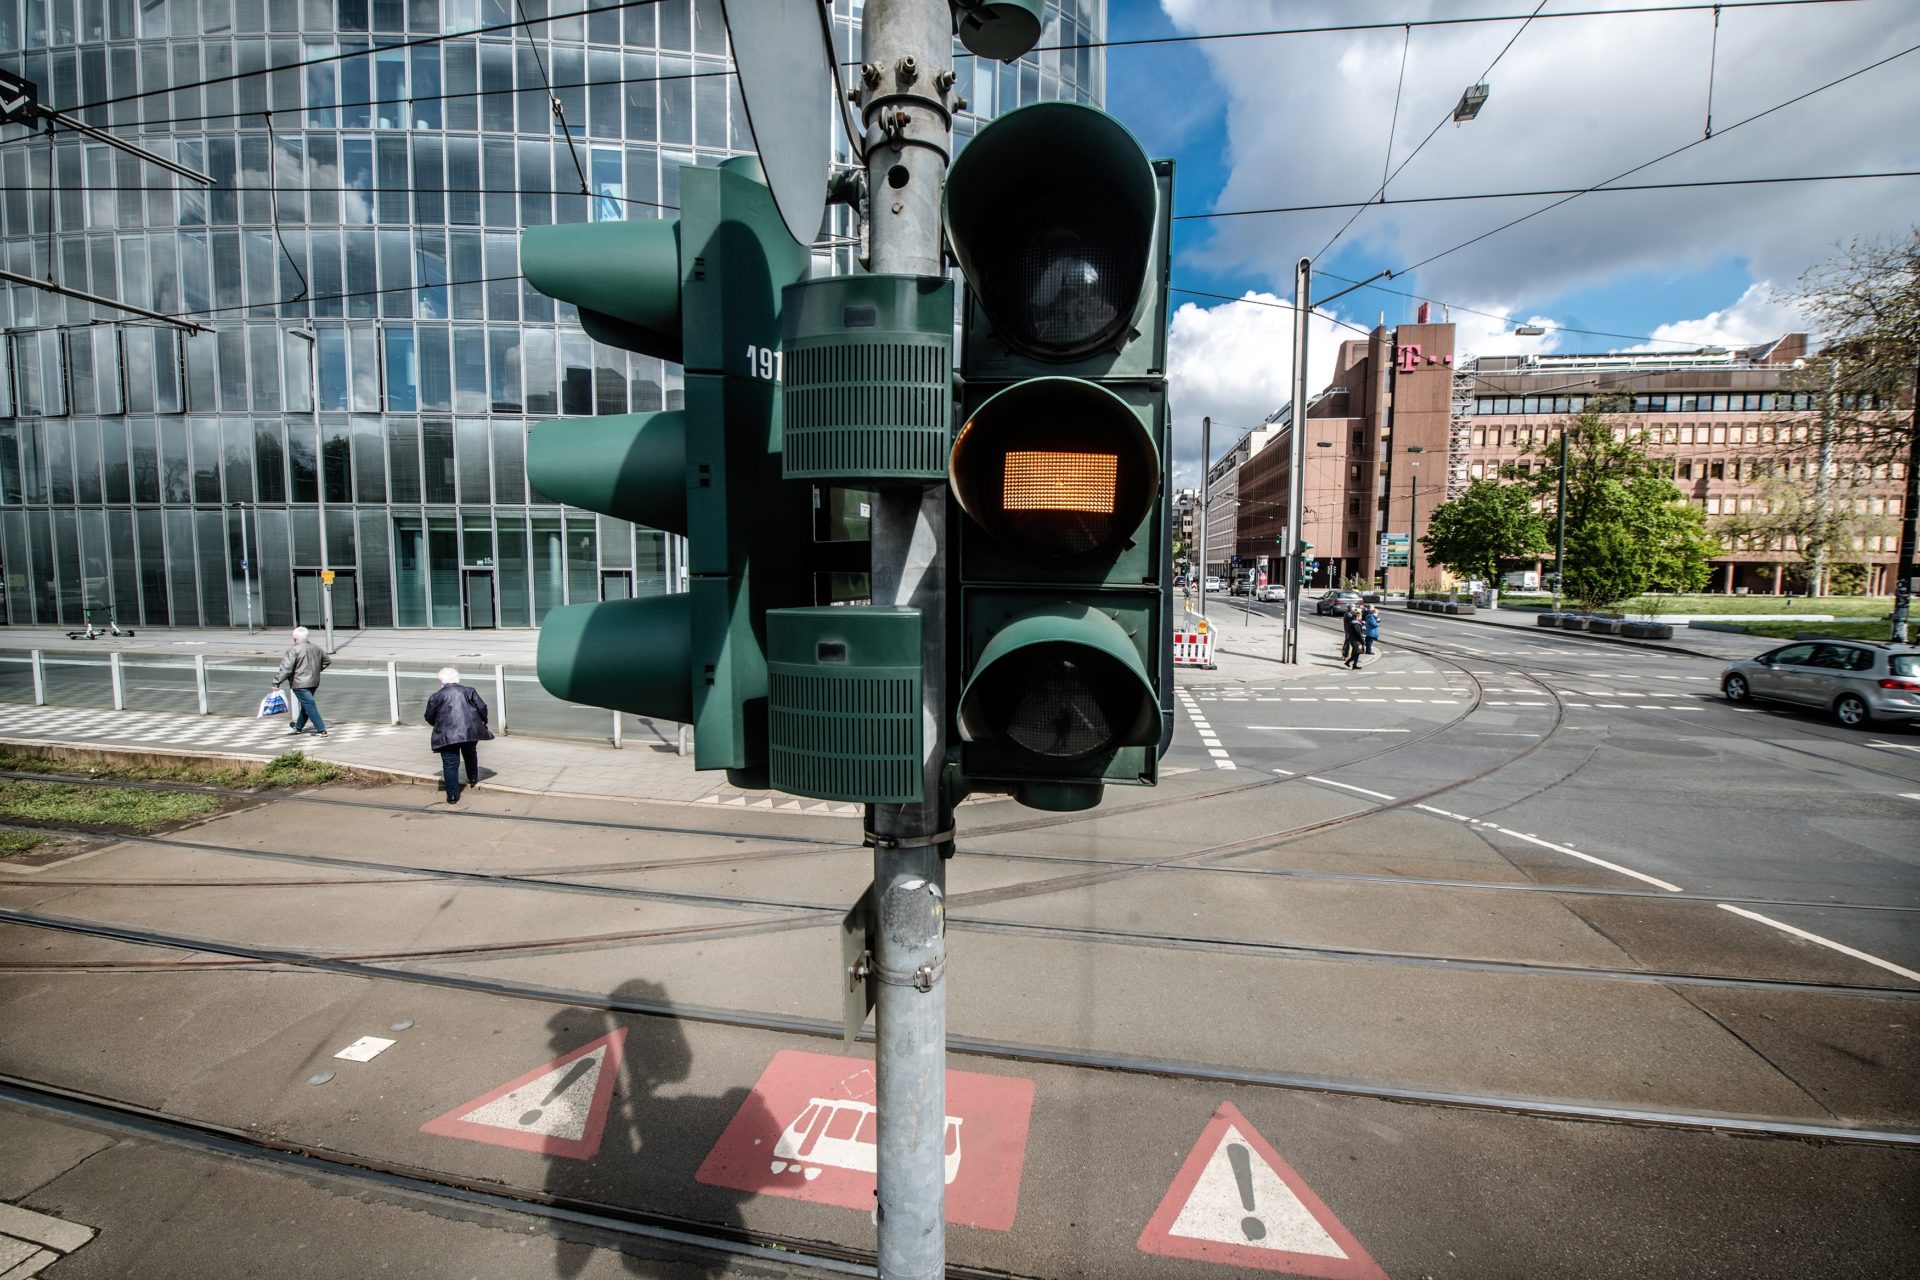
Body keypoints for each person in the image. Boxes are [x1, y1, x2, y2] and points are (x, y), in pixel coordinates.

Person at [425, 667, 495, 804]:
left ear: (442, 680)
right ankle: (473, 777)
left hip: (447, 735)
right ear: (457, 679)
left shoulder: (436, 696)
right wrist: (483, 721)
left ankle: (452, 796)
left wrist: (437, 724)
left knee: (450, 764)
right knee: (470, 753)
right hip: (469, 730)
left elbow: (429, 716)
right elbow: (482, 707)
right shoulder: (469, 691)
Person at [273, 626, 332, 736]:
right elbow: (327, 661)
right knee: (307, 704)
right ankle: (298, 727)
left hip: (299, 683)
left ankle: (321, 730)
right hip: (314, 681)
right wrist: (316, 670)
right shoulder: (316, 648)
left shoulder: (294, 650)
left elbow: (286, 668)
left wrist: (276, 682)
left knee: (309, 705)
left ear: (295, 638)